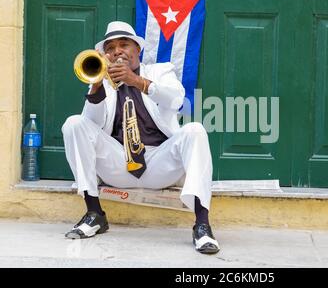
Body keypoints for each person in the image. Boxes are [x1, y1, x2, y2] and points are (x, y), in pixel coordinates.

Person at [62, 21, 219, 254]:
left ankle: (202, 225)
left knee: (195, 130)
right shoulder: (101, 80)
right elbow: (90, 127)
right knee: (74, 124)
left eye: (124, 45)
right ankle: (94, 213)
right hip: (118, 164)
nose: (117, 51)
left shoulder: (160, 71)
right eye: (111, 47)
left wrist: (136, 81)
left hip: (159, 163)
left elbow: (176, 100)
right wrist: (96, 87)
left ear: (137, 50)